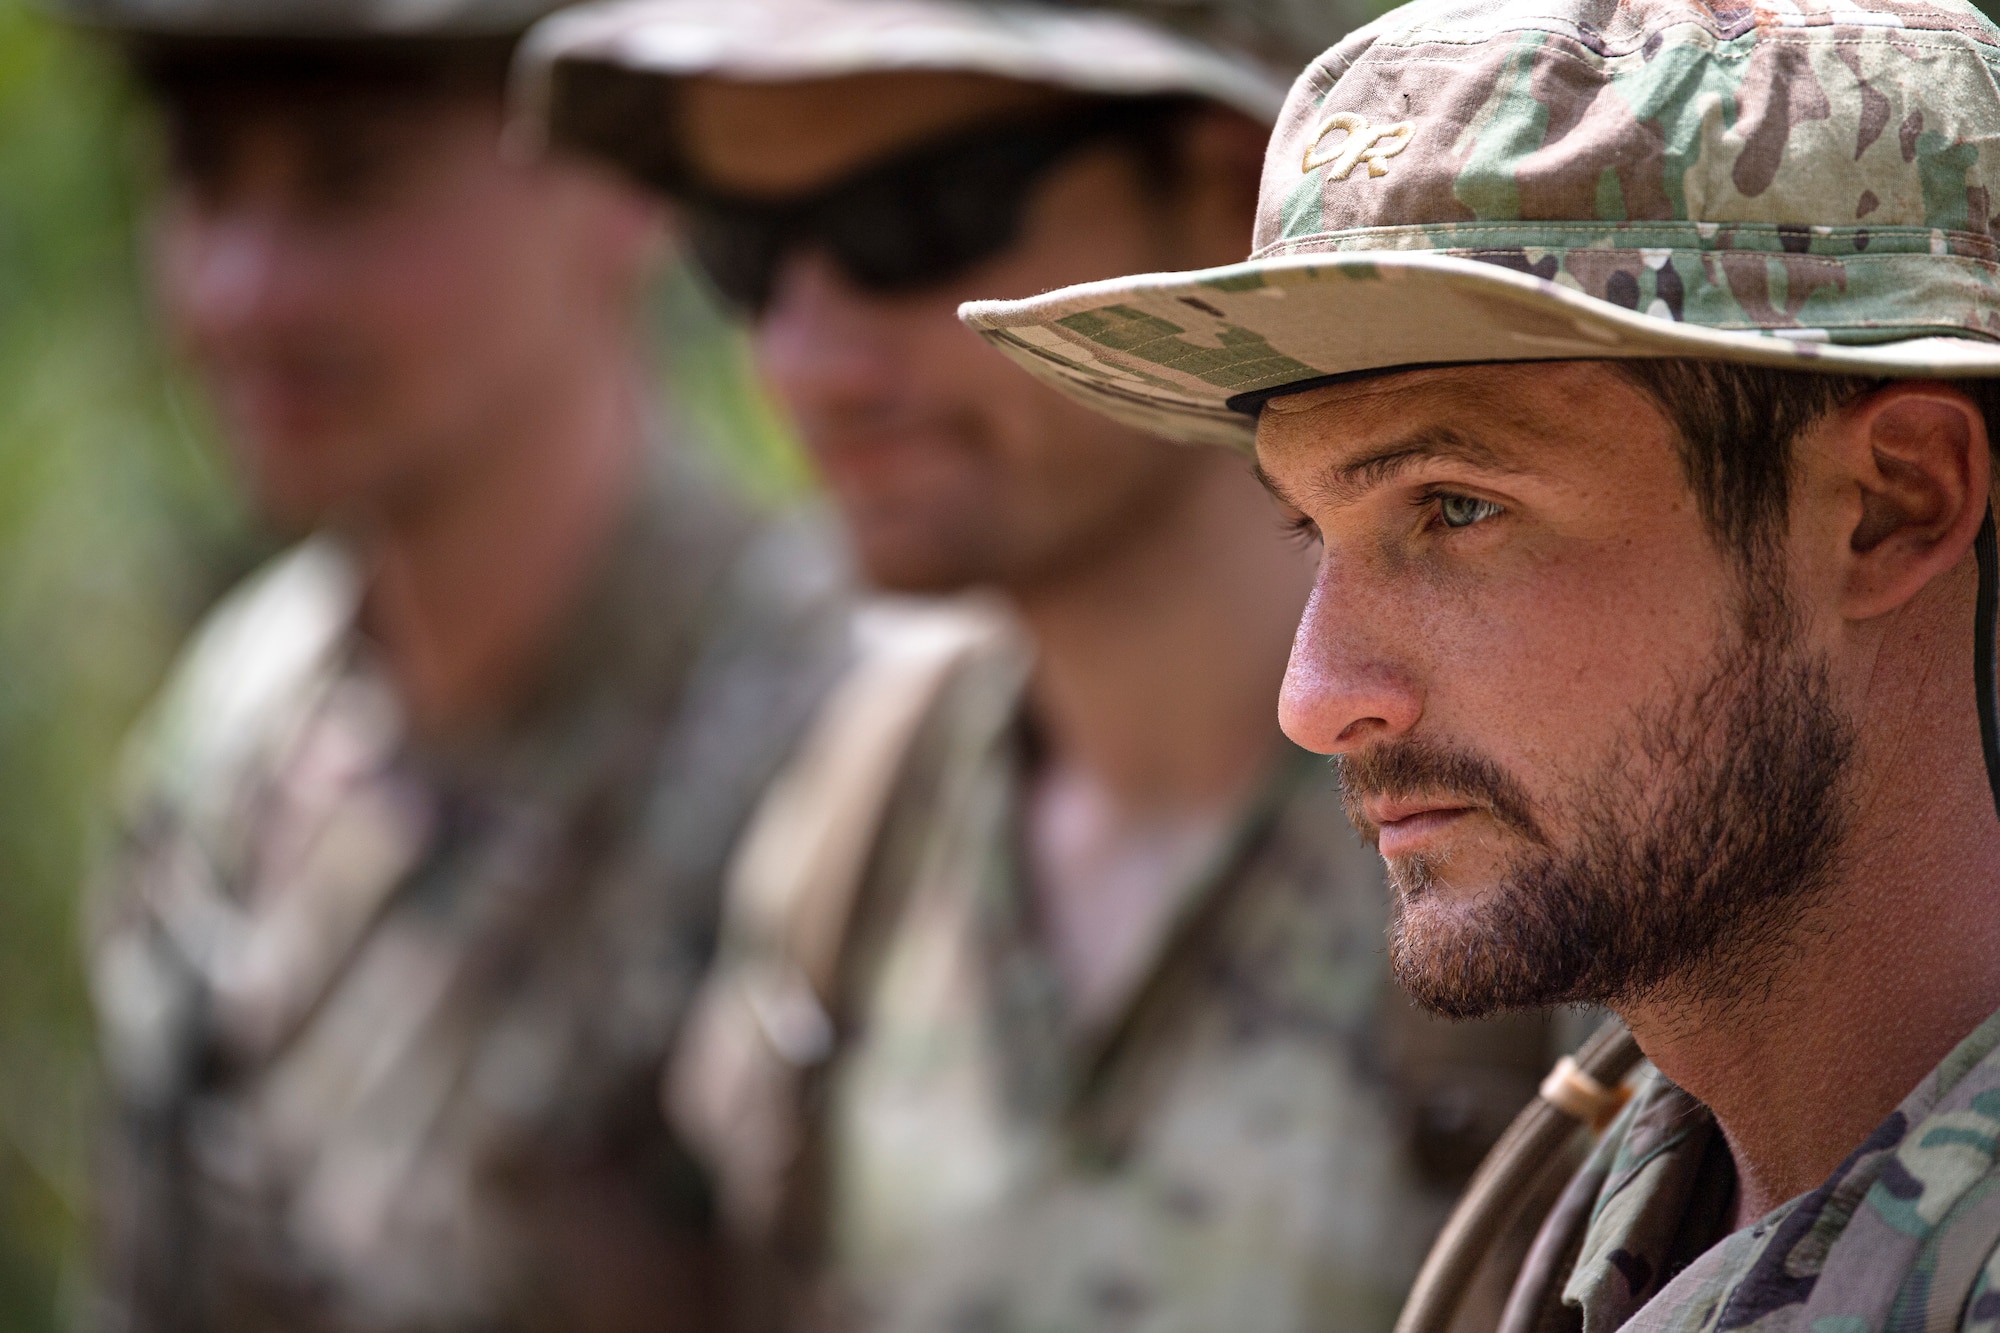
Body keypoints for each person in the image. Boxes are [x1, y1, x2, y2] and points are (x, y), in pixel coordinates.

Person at [524, 3, 1569, 1330]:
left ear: (1218, 185)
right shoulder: (855, 826)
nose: (806, 358)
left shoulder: (1530, 822)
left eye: (917, 222)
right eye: (745, 255)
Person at [958, 0, 2000, 1328]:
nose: (1318, 696)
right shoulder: (1617, 1176)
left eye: (1455, 508)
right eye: (1313, 527)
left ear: (1892, 503)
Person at [73, 2, 852, 1330]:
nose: (244, 291)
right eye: (203, 180)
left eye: (350, 180)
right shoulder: (233, 752)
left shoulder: (852, 750)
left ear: (620, 191)